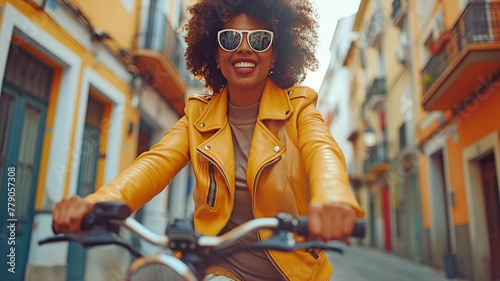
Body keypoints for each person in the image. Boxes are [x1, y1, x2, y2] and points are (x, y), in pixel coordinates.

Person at [52, 0, 364, 280]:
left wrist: (332, 200)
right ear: (215, 54)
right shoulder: (197, 116)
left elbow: (322, 150)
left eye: (259, 39)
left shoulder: (299, 108)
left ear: (274, 55)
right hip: (220, 269)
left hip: (294, 273)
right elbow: (154, 163)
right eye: (229, 39)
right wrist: (96, 204)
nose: (244, 49)